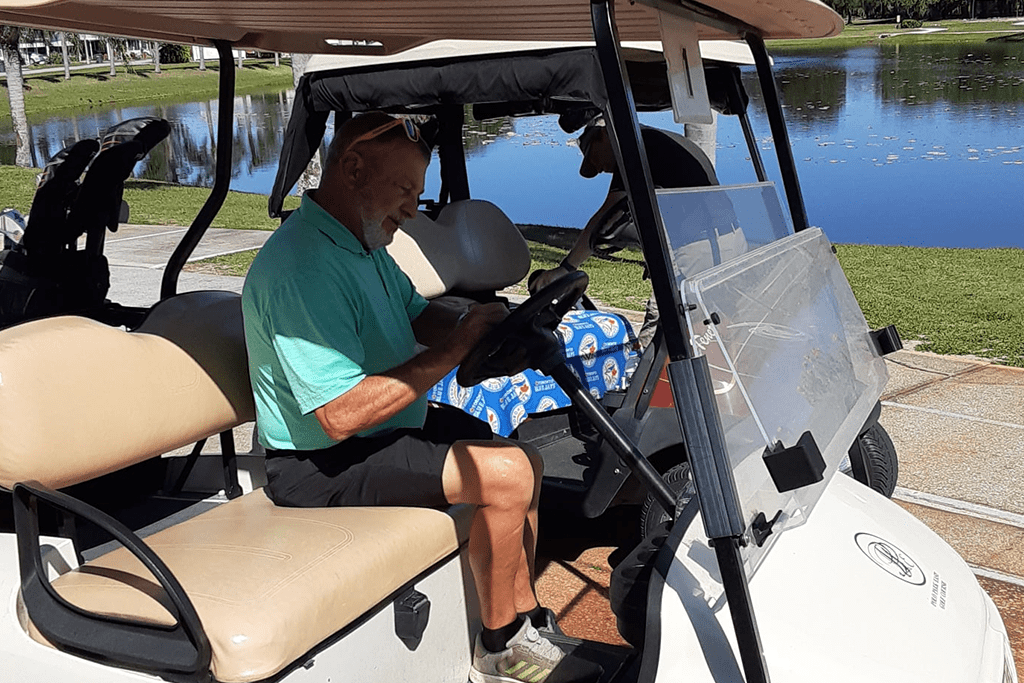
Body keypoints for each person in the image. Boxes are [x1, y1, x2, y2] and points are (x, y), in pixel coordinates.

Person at [242, 112, 599, 683]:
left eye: (417, 192)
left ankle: (524, 616)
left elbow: (418, 313)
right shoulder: (301, 266)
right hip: (318, 465)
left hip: (382, 431)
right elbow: (337, 417)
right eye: (404, 191)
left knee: (521, 460)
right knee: (504, 474)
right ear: (351, 168)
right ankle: (500, 646)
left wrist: (480, 321)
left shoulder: (360, 242)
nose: (412, 209)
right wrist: (457, 347)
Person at [530, 116, 718, 348]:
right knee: (707, 322)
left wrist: (566, 268)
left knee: (663, 326)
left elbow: (605, 217)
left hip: (695, 247)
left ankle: (646, 380)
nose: (602, 170)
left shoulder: (633, 148)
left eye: (594, 158)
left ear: (602, 135)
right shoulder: (661, 142)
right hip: (722, 240)